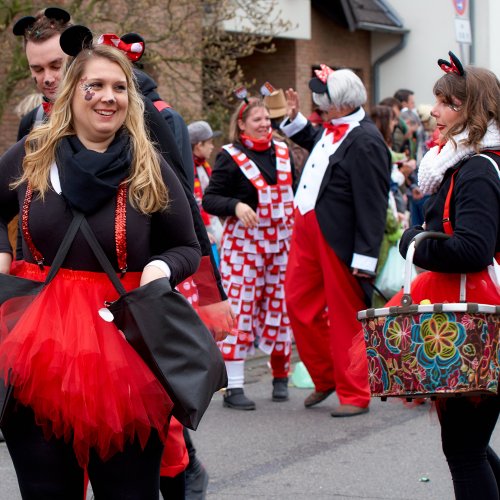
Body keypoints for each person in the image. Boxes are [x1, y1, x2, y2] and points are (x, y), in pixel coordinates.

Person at [0, 42, 201, 499]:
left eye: (119, 87)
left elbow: (187, 244)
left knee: (129, 492)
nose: (108, 97)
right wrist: (2, 254)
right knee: (46, 490)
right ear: (72, 93)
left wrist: (161, 267)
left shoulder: (149, 165)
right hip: (37, 350)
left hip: (126, 350)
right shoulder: (34, 156)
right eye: (95, 86)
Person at [391, 52, 500, 499]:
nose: (433, 112)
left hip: (472, 314)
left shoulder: (476, 169)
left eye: (445, 103)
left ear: (470, 111)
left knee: (464, 450)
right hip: (472, 310)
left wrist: (414, 241)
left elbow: (474, 248)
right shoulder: (470, 162)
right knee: (470, 446)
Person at [281, 66, 391, 417]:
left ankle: (355, 393)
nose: (318, 105)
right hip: (307, 228)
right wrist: (294, 118)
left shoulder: (366, 140)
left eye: (322, 100)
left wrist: (365, 257)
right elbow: (317, 144)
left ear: (340, 105)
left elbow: (373, 204)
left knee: (345, 317)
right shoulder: (332, 128)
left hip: (337, 236)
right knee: (298, 303)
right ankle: (326, 375)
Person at [202, 96, 295, 409]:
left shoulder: (283, 152)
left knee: (280, 309)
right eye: (257, 119)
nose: (264, 124)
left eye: (267, 118)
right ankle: (235, 386)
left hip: (281, 245)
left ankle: (281, 376)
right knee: (239, 311)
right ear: (241, 124)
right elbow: (210, 200)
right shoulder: (229, 156)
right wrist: (236, 206)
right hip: (244, 248)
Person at [13, 7, 71, 139]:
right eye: (37, 69)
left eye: (56, 66)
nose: (47, 78)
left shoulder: (104, 114)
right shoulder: (30, 123)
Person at [188, 120, 223, 248]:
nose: (212, 146)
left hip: (213, 220)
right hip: (203, 226)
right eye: (209, 143)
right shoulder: (189, 169)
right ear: (198, 145)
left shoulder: (204, 166)